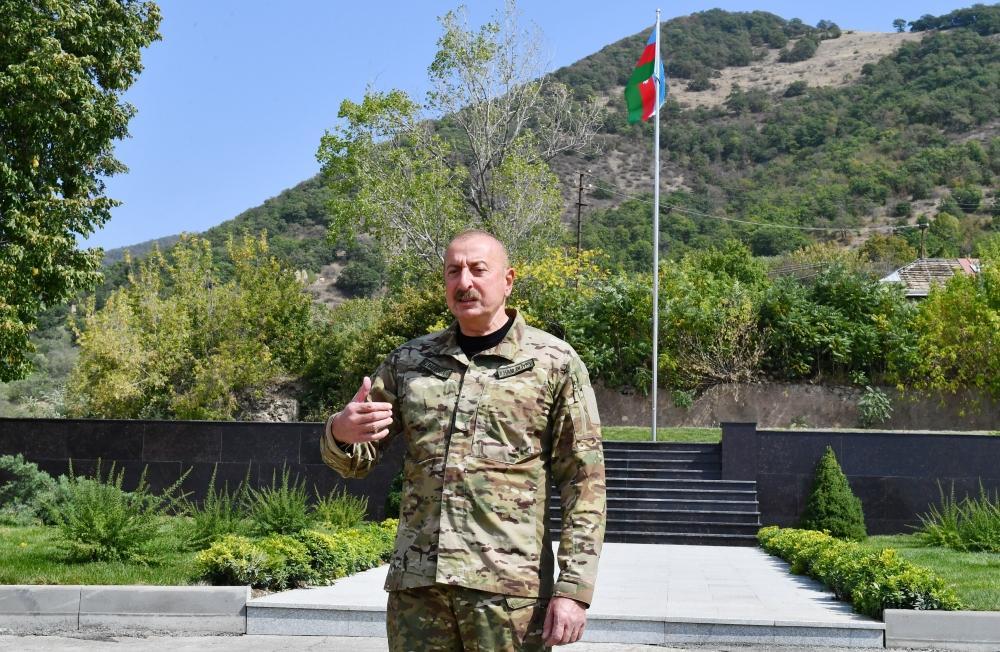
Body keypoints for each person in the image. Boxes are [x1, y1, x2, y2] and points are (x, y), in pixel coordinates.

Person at [321, 230, 606, 651]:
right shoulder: (409, 362)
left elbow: (584, 482)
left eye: (478, 269)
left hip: (508, 594)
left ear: (508, 280)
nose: (464, 282)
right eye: (453, 271)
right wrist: (340, 432)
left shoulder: (553, 362)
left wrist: (573, 589)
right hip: (419, 591)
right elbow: (355, 461)